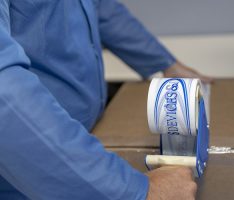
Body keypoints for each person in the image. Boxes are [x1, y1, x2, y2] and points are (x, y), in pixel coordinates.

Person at [0, 0, 211, 199]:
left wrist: (163, 61)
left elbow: (99, 6)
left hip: (74, 150)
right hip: (28, 174)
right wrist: (134, 191)